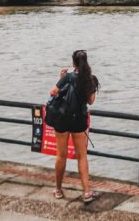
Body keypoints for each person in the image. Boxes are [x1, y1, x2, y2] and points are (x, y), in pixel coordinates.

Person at [50, 49, 100, 202]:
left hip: (63, 118)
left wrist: (61, 78)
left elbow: (53, 93)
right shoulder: (89, 79)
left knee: (61, 155)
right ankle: (87, 192)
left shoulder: (68, 77)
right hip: (79, 119)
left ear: (73, 63)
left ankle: (58, 190)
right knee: (82, 156)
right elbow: (91, 101)